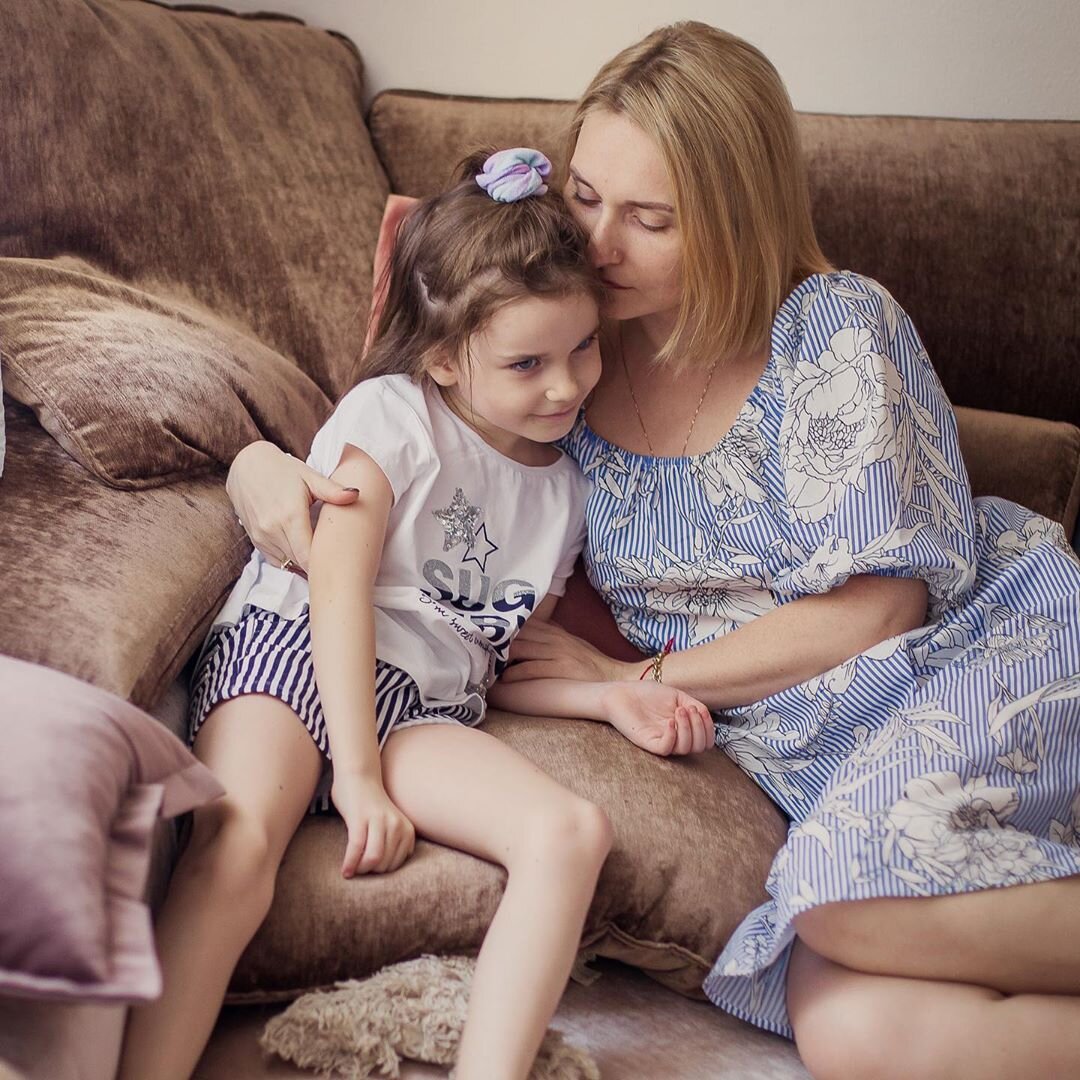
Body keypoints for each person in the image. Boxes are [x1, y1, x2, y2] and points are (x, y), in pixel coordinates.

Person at [225, 23, 1080, 1080]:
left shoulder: (834, 326)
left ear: (734, 221)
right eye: (585, 197)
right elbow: (398, 417)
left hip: (969, 655)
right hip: (811, 752)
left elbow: (881, 609)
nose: (598, 243)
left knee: (847, 906)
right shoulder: (560, 363)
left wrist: (641, 677)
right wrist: (254, 463)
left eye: (650, 218)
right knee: (855, 1032)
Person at [118, 147, 714, 1080]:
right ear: (443, 356)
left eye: (583, 348)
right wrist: (357, 776)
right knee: (236, 849)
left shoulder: (565, 496)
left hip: (421, 705)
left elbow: (501, 660)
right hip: (297, 653)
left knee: (570, 834)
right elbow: (334, 587)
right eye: (526, 363)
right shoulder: (393, 417)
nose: (566, 386)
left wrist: (607, 696)